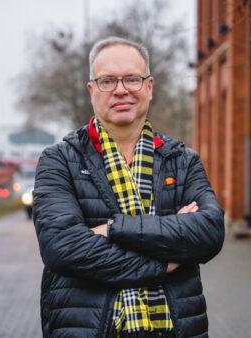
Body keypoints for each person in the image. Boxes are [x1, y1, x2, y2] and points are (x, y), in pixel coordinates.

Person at [33, 36, 225, 338]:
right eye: (107, 80)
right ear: (92, 90)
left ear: (149, 86)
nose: (121, 90)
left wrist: (112, 229)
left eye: (132, 78)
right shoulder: (58, 160)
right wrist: (166, 261)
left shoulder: (182, 160)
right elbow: (63, 248)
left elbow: (209, 233)